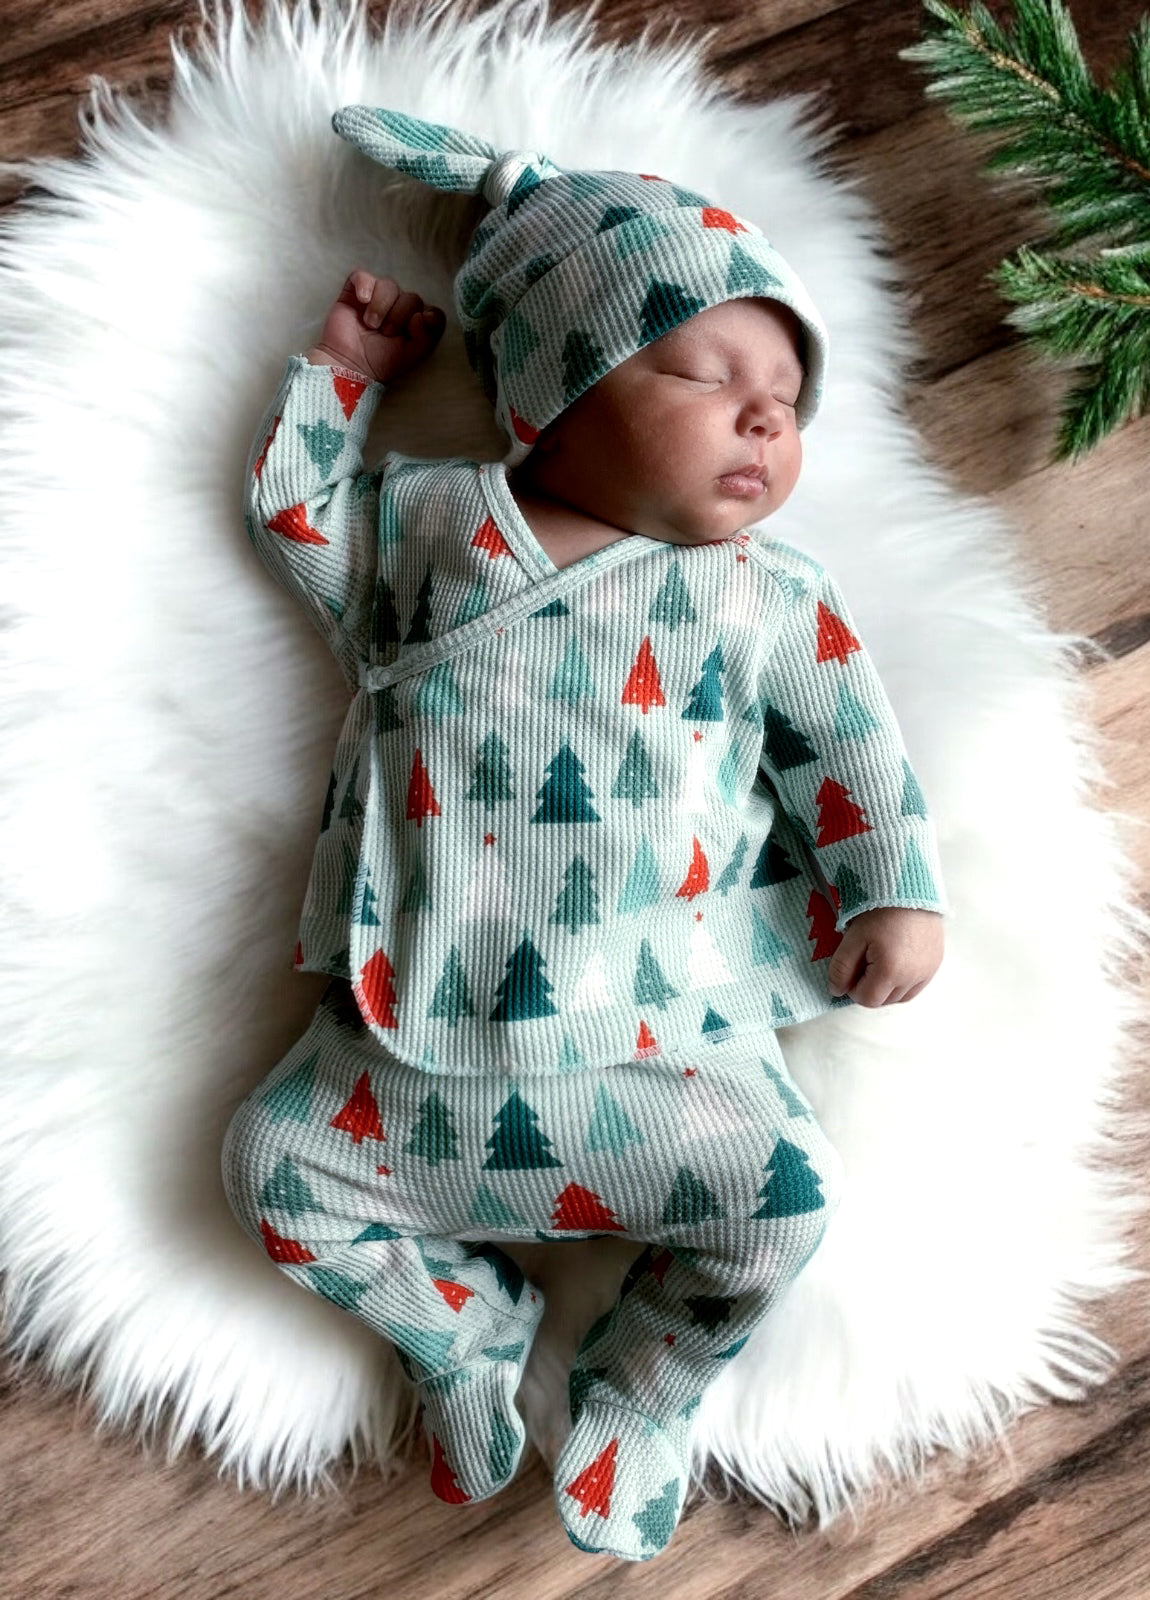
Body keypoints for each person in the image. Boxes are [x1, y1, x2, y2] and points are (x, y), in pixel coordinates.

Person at [221, 107, 947, 1563]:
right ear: (553, 385)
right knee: (269, 1175)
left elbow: (849, 744)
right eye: (710, 372)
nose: (766, 418)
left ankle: (647, 1379)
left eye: (790, 401)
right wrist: (343, 378)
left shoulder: (761, 595)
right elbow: (297, 514)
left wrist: (890, 884)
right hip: (408, 1052)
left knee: (784, 1210)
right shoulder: (435, 533)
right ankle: (464, 1334)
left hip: (653, 1056)